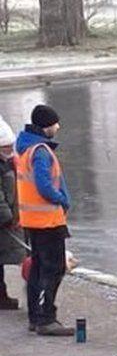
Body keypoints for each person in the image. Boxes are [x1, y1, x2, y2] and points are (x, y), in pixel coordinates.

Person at [15, 105, 73, 336]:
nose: (58, 127)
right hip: (47, 220)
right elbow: (44, 185)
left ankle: (35, 316)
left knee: (38, 268)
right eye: (55, 123)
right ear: (46, 125)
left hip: (33, 220)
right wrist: (61, 199)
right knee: (52, 269)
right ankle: (46, 318)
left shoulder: (27, 148)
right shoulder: (40, 151)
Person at [0, 117, 25, 310]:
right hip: (4, 221)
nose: (10, 151)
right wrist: (7, 217)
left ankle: (2, 296)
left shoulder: (9, 163)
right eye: (6, 147)